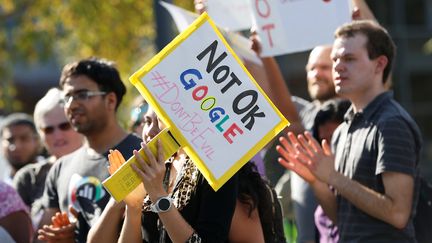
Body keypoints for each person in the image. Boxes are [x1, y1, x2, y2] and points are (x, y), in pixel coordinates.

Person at [277, 20, 422, 241]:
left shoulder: (391, 123)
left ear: (379, 64)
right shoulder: (345, 129)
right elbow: (342, 219)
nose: (338, 66)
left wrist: (333, 177)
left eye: (349, 59)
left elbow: (398, 214)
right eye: (335, 59)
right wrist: (317, 182)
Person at [88, 105, 238, 242]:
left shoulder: (217, 170)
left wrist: (158, 195)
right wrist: (133, 207)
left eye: (160, 120)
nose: (150, 132)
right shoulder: (154, 169)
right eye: (147, 122)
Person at [37, 57, 142, 243]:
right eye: (67, 97)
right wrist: (60, 236)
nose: (72, 105)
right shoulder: (60, 168)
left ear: (110, 100)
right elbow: (43, 235)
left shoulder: (141, 155)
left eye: (83, 95)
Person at [12, 88, 83, 229]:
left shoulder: (100, 164)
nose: (57, 135)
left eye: (64, 126)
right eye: (48, 129)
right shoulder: (28, 178)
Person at [311, 99, 350, 243]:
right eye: (323, 141)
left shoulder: (363, 177)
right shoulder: (323, 179)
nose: (328, 147)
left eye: (335, 138)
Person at [0, 113, 42, 185]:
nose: (17, 146)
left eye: (24, 138)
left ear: (37, 141)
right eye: (10, 140)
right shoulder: (3, 186)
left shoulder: (54, 174)